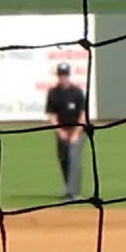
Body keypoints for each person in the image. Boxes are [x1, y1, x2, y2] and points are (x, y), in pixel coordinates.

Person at [44, 63, 88, 201]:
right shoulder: (53, 93)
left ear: (69, 75)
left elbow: (83, 114)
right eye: (61, 75)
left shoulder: (77, 92)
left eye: (65, 75)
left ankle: (73, 193)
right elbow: (52, 115)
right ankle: (69, 189)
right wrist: (59, 131)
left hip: (78, 130)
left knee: (73, 158)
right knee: (63, 159)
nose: (63, 77)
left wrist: (75, 133)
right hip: (62, 130)